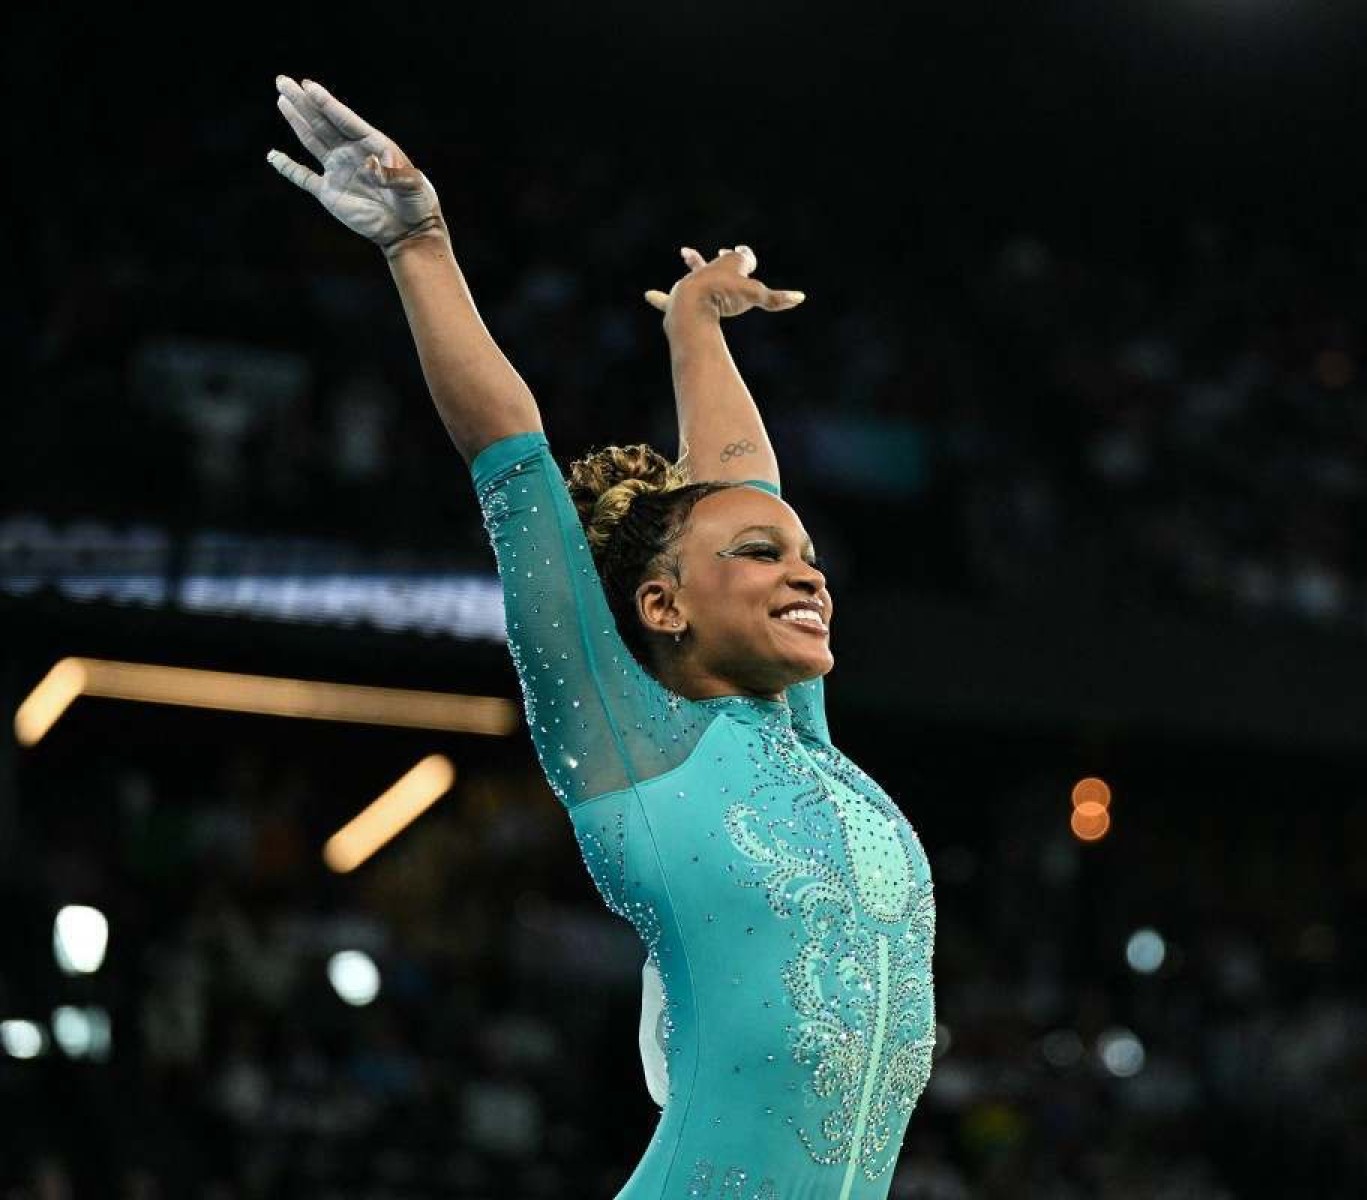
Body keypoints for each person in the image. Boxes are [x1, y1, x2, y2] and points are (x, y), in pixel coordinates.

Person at [267, 76, 938, 1198]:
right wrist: (420, 244)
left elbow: (740, 479)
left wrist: (692, 325)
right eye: (761, 558)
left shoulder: (804, 732)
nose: (805, 570)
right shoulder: (633, 748)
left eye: (807, 553)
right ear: (664, 608)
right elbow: (512, 456)